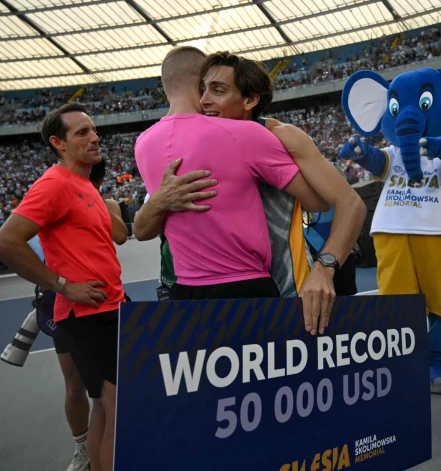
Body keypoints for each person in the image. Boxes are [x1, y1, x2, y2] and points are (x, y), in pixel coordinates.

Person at [134, 49, 366, 334]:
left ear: (249, 100)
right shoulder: (193, 143)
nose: (205, 100)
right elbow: (144, 229)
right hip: (208, 284)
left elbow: (332, 203)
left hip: (308, 270)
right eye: (202, 89)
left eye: (217, 90)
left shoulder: (279, 136)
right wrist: (160, 200)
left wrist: (325, 266)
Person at [0, 103, 126, 471]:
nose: (95, 138)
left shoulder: (82, 185)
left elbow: (115, 237)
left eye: (94, 130)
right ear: (58, 142)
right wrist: (64, 286)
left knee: (105, 405)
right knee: (119, 407)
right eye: (82, 133)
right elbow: (8, 240)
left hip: (106, 307)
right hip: (88, 315)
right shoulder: (55, 183)